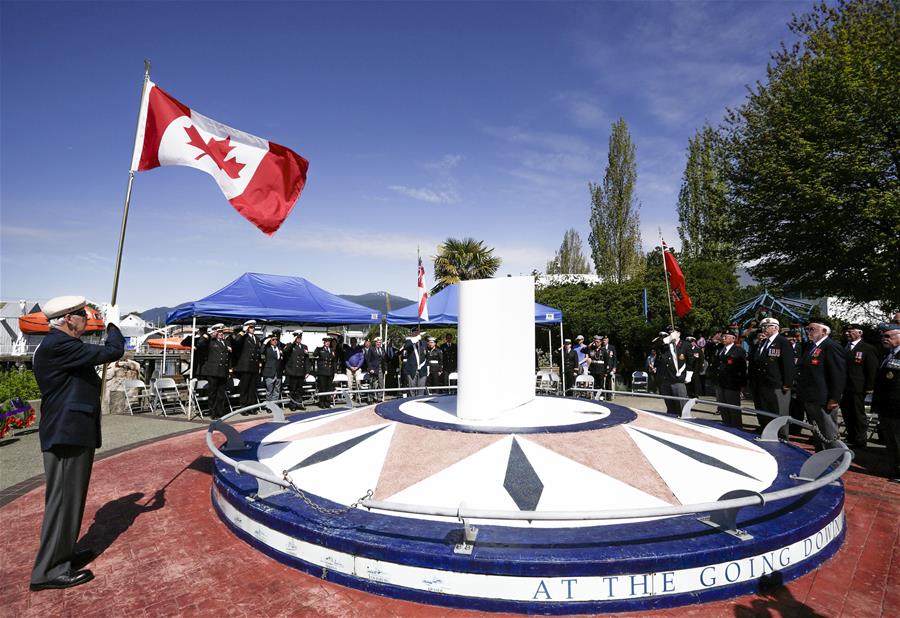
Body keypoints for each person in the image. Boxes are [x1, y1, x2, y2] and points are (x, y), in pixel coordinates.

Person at [30, 296, 124, 591]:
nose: (88, 318)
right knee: (63, 502)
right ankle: (48, 570)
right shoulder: (60, 344)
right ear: (68, 319)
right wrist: (113, 324)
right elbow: (114, 350)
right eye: (83, 314)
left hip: (71, 431)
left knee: (71, 500)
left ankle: (64, 554)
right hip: (66, 433)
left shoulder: (61, 344)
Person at [797, 319, 846, 451]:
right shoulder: (811, 347)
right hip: (811, 396)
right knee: (817, 432)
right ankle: (821, 457)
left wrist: (834, 398)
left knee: (828, 433)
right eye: (808, 329)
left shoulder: (831, 346)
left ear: (824, 331)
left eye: (812, 329)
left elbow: (838, 375)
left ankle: (835, 460)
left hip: (823, 398)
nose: (808, 332)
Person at [749, 317, 795, 436]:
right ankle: (767, 433)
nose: (763, 329)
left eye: (766, 326)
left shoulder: (782, 342)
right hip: (763, 384)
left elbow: (788, 364)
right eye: (763, 327)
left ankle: (782, 436)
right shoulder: (763, 342)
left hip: (777, 384)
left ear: (775, 328)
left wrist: (787, 383)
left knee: (779, 413)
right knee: (765, 411)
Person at [841, 324, 879, 447]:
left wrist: (869, 387)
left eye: (850, 331)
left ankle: (861, 439)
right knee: (846, 412)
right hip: (845, 386)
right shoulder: (845, 347)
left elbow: (871, 369)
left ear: (859, 333)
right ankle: (851, 436)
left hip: (858, 386)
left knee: (858, 413)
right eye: (847, 331)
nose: (847, 334)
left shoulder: (867, 348)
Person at [872, 323, 900, 481]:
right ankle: (895, 468)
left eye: (888, 336)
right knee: (890, 441)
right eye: (883, 336)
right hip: (886, 407)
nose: (884, 339)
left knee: (898, 441)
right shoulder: (888, 355)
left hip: (897, 407)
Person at [655, 327, 694, 415]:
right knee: (670, 408)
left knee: (681, 408)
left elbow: (690, 361)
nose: (671, 334)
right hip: (666, 379)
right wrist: (668, 339)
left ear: (679, 334)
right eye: (669, 333)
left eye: (673, 332)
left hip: (678, 379)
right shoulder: (665, 344)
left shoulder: (685, 344)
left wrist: (689, 375)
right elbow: (655, 345)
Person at [714, 328, 747, 428]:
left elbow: (742, 369)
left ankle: (736, 428)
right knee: (723, 407)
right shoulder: (720, 350)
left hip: (732, 384)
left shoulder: (738, 351)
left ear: (733, 338)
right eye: (723, 336)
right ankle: (726, 426)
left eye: (726, 337)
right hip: (720, 384)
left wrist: (743, 384)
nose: (723, 338)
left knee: (733, 408)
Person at [199, 324, 231, 419]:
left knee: (221, 394)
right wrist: (208, 335)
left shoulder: (225, 342)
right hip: (213, 372)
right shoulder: (210, 342)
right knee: (212, 393)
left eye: (222, 332)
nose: (221, 334)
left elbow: (228, 357)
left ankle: (220, 412)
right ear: (215, 332)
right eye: (219, 332)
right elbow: (200, 343)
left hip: (223, 371)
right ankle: (212, 412)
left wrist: (229, 368)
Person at [232, 320, 262, 412]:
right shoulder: (243, 337)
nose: (253, 329)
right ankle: (244, 407)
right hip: (245, 366)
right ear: (247, 328)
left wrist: (259, 362)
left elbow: (258, 352)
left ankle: (251, 407)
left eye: (253, 327)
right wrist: (242, 332)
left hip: (254, 367)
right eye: (251, 327)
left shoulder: (256, 338)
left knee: (252, 389)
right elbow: (236, 342)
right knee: (244, 388)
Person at [283, 330, 309, 410]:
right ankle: (292, 405)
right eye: (297, 337)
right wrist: (292, 342)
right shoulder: (290, 345)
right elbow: (285, 351)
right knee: (292, 390)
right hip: (293, 372)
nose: (299, 339)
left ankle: (299, 404)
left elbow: (306, 360)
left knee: (299, 390)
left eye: (300, 337)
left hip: (301, 372)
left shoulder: (304, 347)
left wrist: (307, 371)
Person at [402, 328, 428, 397]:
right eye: (414, 333)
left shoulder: (424, 343)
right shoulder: (409, 342)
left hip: (422, 369)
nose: (416, 334)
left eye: (417, 333)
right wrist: (415, 339)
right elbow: (406, 346)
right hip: (412, 369)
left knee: (421, 390)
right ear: (412, 334)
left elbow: (426, 355)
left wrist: (427, 367)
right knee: (412, 390)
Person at [313, 336, 337, 408]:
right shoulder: (320, 349)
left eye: (329, 342)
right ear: (324, 342)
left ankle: (327, 402)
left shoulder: (332, 350)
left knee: (328, 388)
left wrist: (335, 371)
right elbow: (315, 354)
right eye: (326, 342)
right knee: (322, 388)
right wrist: (318, 347)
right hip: (322, 372)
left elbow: (334, 362)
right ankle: (322, 402)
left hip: (330, 372)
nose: (327, 343)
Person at [261, 331, 284, 403]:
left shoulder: (279, 348)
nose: (275, 341)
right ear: (270, 340)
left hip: (278, 372)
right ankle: (269, 406)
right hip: (270, 372)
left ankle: (275, 405)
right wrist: (265, 342)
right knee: (269, 391)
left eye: (276, 339)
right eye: (273, 339)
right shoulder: (267, 348)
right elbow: (261, 351)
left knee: (277, 391)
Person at [586, 335, 608, 400]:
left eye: (598, 342)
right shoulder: (592, 349)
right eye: (595, 342)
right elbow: (584, 350)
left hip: (601, 369)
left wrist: (606, 371)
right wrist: (589, 345)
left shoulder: (604, 350)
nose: (596, 343)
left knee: (601, 384)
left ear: (601, 342)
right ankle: (595, 396)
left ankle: (601, 396)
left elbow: (606, 361)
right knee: (594, 384)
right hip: (593, 369)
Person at [365, 336, 387, 401]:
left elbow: (384, 360)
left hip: (380, 369)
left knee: (381, 384)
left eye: (380, 342)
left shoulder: (382, 349)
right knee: (372, 384)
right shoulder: (371, 349)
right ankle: (370, 399)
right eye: (377, 342)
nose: (378, 344)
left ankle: (379, 398)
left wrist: (385, 369)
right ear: (375, 343)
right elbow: (368, 360)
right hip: (373, 369)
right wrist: (370, 368)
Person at [344, 337, 365, 401]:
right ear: (350, 343)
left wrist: (357, 367)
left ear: (356, 342)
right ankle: (350, 396)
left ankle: (357, 396)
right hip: (349, 368)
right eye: (352, 342)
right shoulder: (348, 350)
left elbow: (362, 359)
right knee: (349, 383)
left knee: (358, 382)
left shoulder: (359, 350)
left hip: (357, 368)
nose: (353, 343)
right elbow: (346, 360)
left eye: (354, 342)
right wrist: (350, 367)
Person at [602, 335, 617, 399]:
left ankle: (609, 396)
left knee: (609, 381)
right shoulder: (602, 348)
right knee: (602, 382)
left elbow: (615, 358)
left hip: (610, 367)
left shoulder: (612, 347)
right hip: (603, 367)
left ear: (607, 340)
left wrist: (614, 367)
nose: (604, 341)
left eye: (605, 340)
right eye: (603, 340)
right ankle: (603, 395)